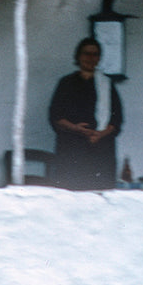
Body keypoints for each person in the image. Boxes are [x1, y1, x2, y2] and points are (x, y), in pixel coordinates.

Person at [48, 37, 124, 190]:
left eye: (95, 54)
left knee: (99, 195)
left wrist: (100, 134)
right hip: (72, 149)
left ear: (99, 58)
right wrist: (76, 129)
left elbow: (117, 119)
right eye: (86, 54)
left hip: (100, 150)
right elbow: (55, 116)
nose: (90, 58)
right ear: (78, 56)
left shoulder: (106, 84)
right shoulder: (66, 83)